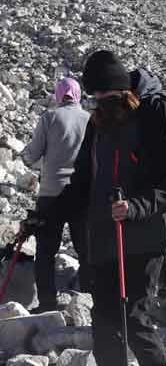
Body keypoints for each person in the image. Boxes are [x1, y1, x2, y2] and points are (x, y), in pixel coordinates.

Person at [49, 51, 166, 366]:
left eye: (103, 97)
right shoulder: (100, 121)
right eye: (93, 99)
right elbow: (82, 181)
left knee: (134, 319)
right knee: (105, 323)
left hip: (145, 234)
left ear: (120, 90)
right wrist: (46, 214)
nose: (98, 104)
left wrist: (136, 207)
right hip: (105, 236)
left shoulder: (155, 111)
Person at [19, 77, 89, 311]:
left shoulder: (49, 118)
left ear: (59, 95)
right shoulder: (90, 120)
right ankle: (88, 299)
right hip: (82, 195)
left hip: (51, 194)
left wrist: (26, 157)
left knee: (46, 251)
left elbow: (32, 155)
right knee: (86, 250)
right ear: (78, 94)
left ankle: (47, 302)